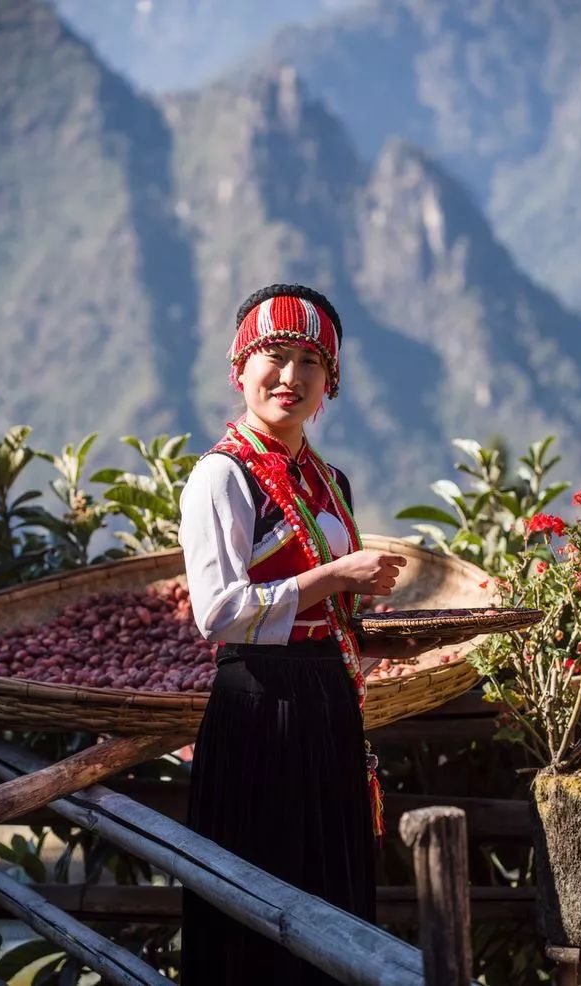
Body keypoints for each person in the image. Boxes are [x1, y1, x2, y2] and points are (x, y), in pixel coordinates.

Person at [179, 283, 407, 985]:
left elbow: (329, 601)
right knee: (263, 889)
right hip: (260, 706)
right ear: (239, 369)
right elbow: (217, 612)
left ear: (329, 381)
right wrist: (338, 576)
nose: (291, 376)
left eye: (311, 361)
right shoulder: (222, 477)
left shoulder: (329, 481)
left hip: (325, 701)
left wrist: (371, 613)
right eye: (274, 355)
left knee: (329, 879)